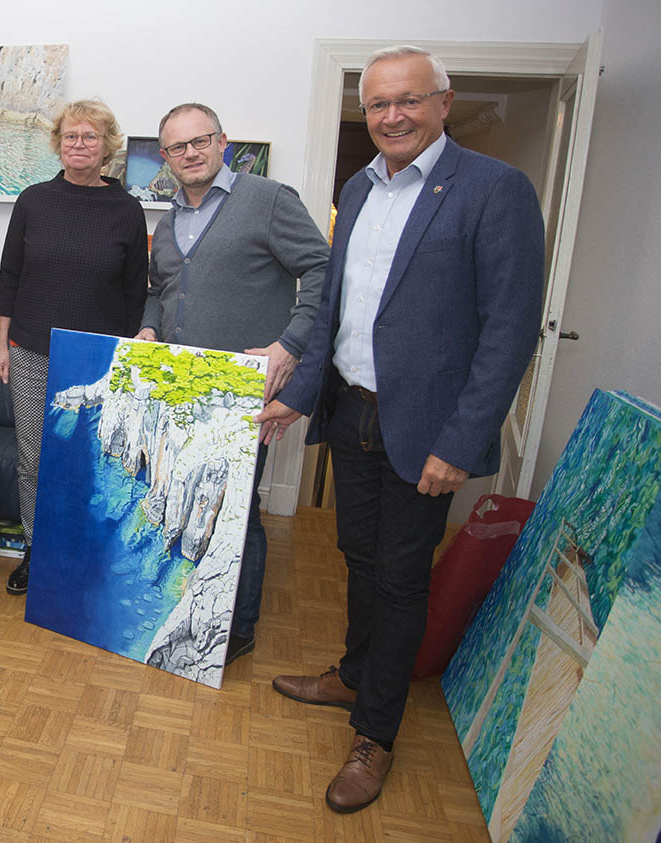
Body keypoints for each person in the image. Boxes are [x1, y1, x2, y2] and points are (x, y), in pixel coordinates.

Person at [256, 46, 545, 813]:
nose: (391, 116)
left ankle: (374, 731)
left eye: (408, 101)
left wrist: (459, 440)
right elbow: (334, 312)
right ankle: (352, 671)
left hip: (426, 428)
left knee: (398, 577)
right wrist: (302, 392)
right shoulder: (354, 187)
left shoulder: (494, 189)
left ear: (443, 102)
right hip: (351, 410)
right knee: (355, 552)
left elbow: (509, 331)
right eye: (378, 104)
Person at [136, 102, 328, 664]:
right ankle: (189, 605)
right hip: (179, 391)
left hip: (239, 391)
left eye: (201, 141)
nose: (189, 153)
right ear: (166, 157)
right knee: (185, 500)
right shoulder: (167, 221)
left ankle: (234, 630)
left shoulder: (268, 200)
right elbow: (159, 289)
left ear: (224, 142)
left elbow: (321, 268)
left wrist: (289, 344)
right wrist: (149, 325)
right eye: (177, 147)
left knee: (235, 513)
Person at [0, 98, 149, 595]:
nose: (79, 145)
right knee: (34, 457)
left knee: (88, 459)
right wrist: (0, 345)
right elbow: (9, 277)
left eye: (90, 137)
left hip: (96, 359)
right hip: (33, 351)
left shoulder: (126, 209)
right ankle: (36, 551)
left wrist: (124, 362)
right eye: (71, 136)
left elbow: (135, 293)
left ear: (107, 147)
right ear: (58, 144)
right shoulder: (33, 200)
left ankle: (79, 550)